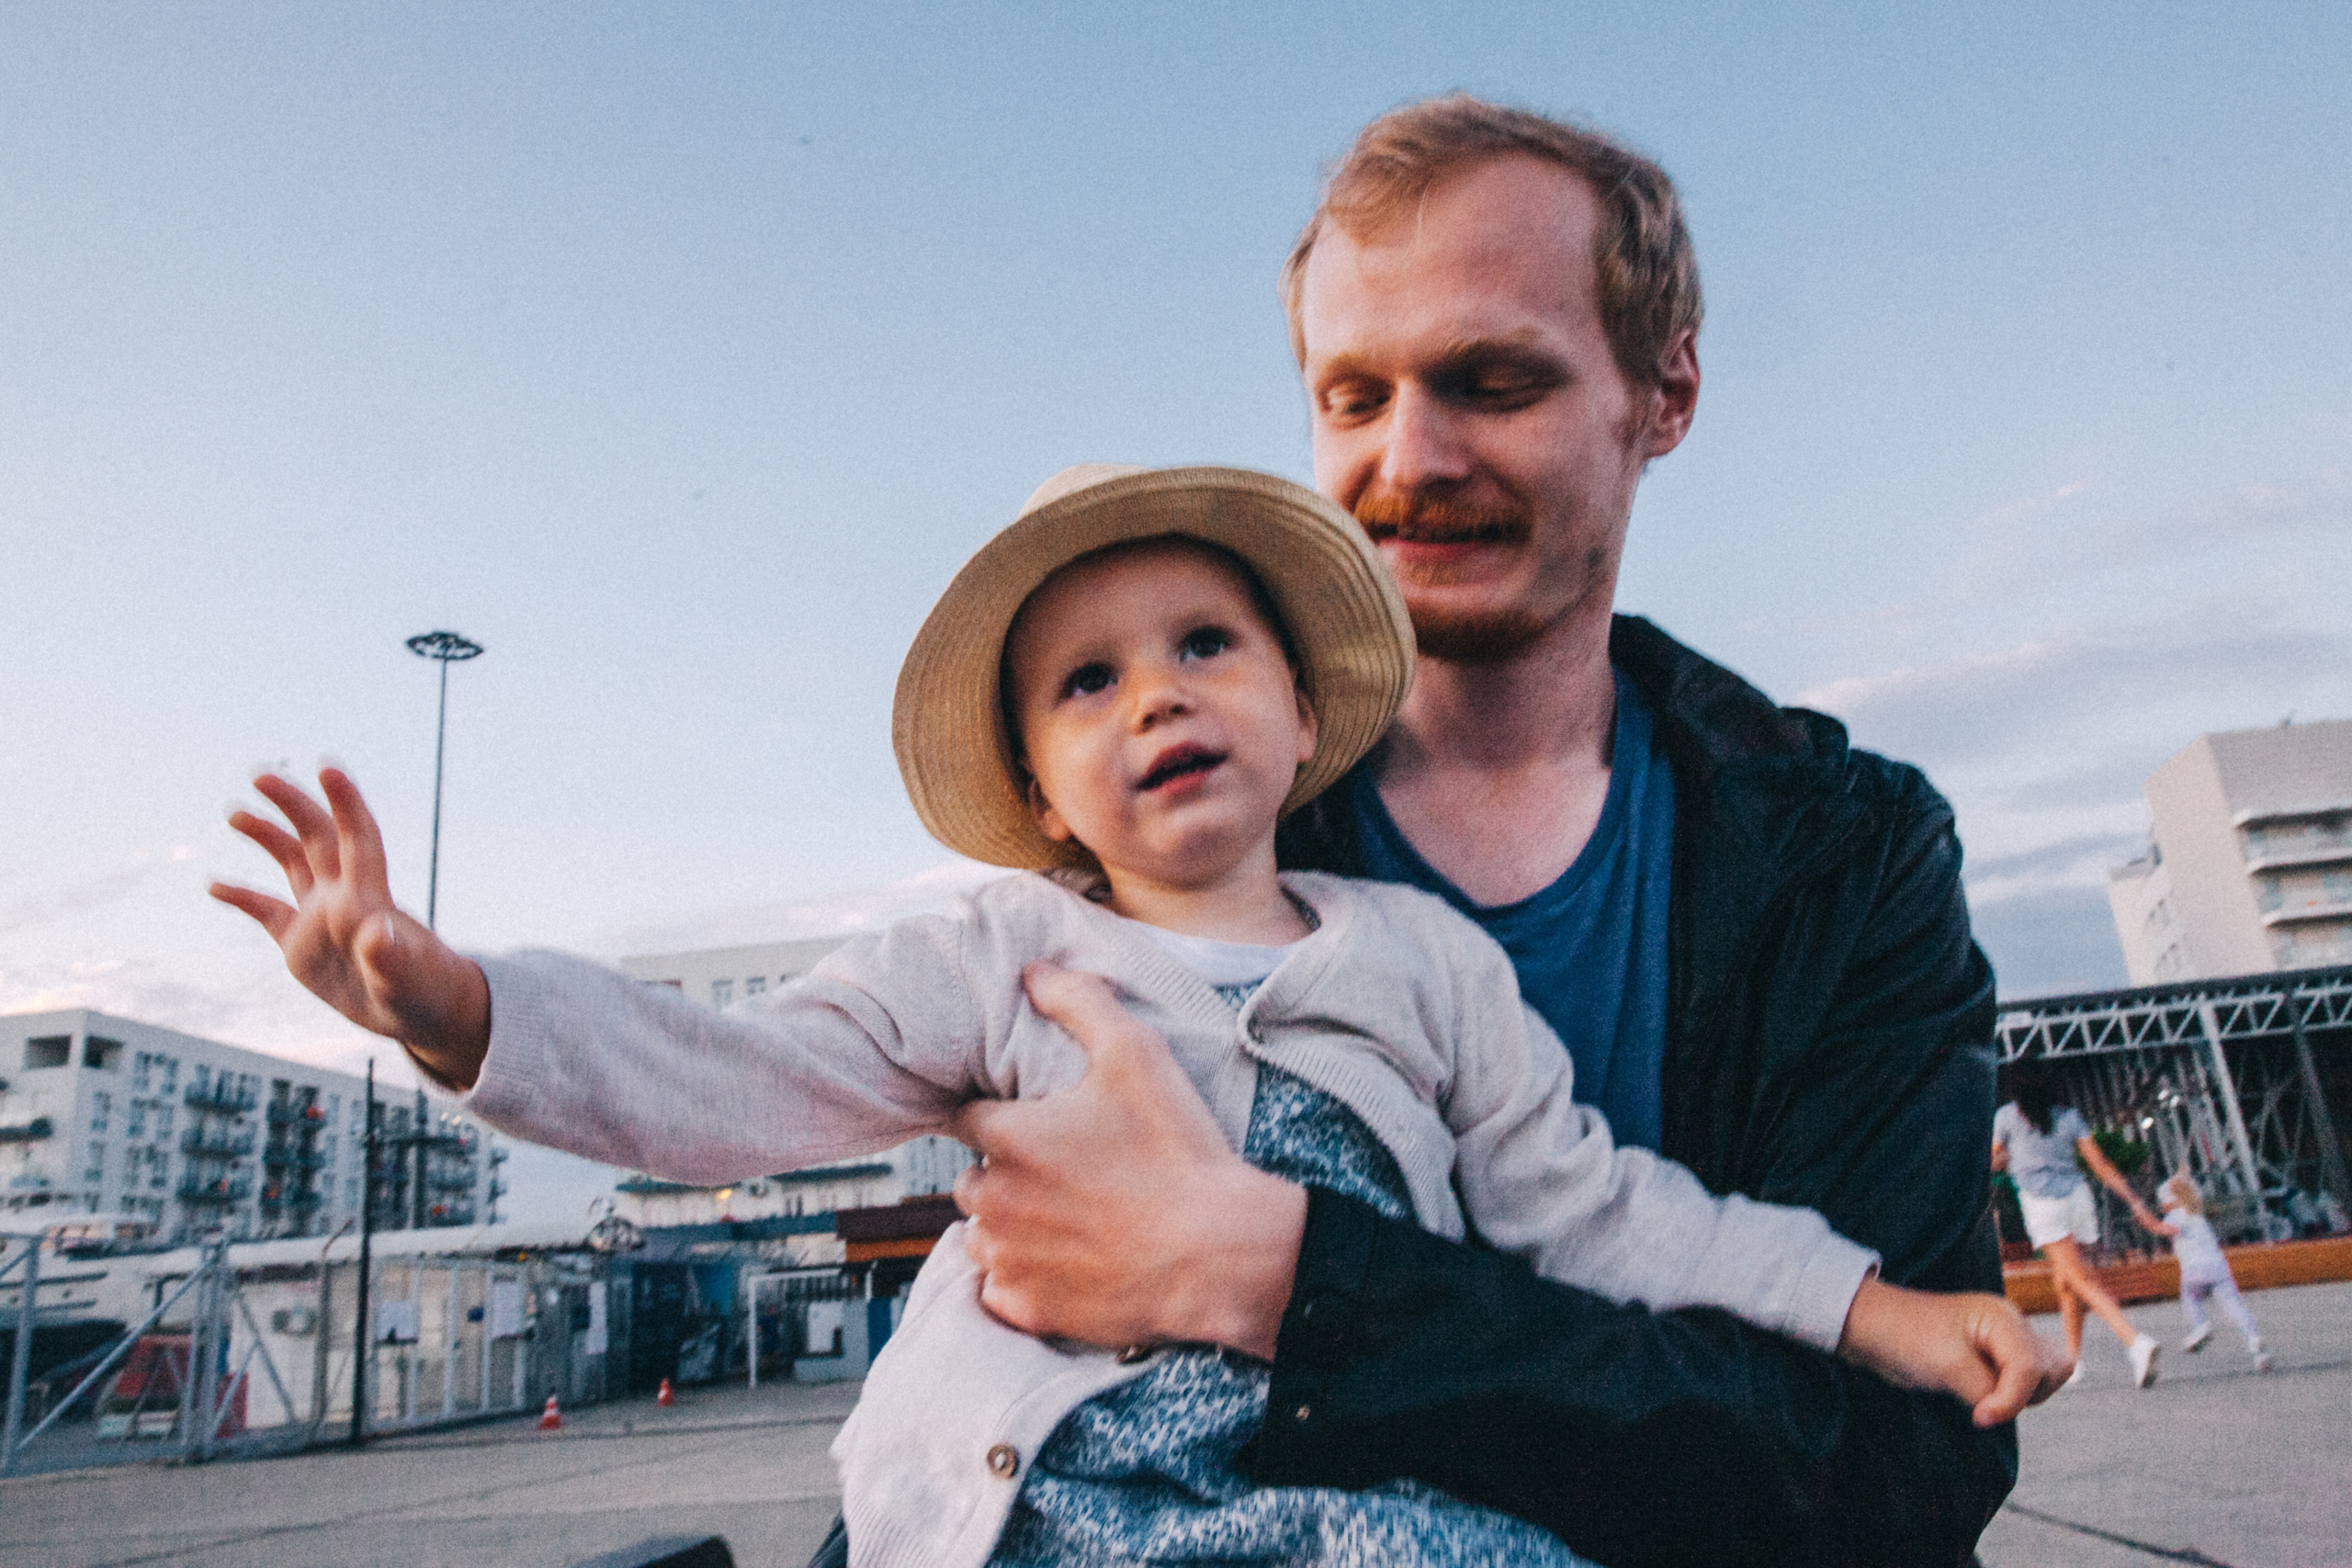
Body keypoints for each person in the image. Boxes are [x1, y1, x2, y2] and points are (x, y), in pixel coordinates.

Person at [213, 465, 2059, 1568]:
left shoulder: (1416, 963)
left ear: (1291, 704)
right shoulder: (996, 952)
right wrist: (458, 1008)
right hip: (1044, 1499)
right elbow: (730, 1076)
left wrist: (1871, 1302)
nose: (1151, 694)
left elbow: (1600, 1213)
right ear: (1035, 786)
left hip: (1333, 1484)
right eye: (1084, 680)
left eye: (1200, 644)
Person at [947, 96, 2036, 1567]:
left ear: (1666, 392)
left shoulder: (1850, 856)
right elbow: (989, 1415)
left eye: (1492, 380)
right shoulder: (1152, 843)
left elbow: (1889, 1464)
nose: (1412, 458)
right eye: (1353, 396)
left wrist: (1289, 1280)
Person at [1991, 1059, 2165, 1388]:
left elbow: (1992, 1160)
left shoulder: (2006, 1118)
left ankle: (2135, 1341)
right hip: (2078, 1199)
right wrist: (2137, 1203)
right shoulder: (2068, 1117)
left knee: (2079, 1279)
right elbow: (2099, 1163)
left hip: (2043, 1204)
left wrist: (2006, 1160)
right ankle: (2073, 1362)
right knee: (2066, 1284)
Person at [2148, 1171, 2273, 1372]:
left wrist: (2144, 1218)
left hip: (2194, 1270)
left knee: (2190, 1298)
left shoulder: (2176, 1216)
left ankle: (2200, 1327)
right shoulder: (2197, 1215)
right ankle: (2255, 1343)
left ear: (2170, 1202)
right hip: (2218, 1267)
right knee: (2234, 1306)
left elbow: (2163, 1229)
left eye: (2162, 1202)